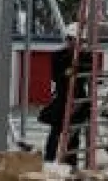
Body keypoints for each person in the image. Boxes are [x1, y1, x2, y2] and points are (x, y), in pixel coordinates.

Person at [39, 23, 93, 166]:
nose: (77, 44)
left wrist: (77, 69)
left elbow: (89, 75)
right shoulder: (58, 55)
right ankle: (49, 162)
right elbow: (56, 77)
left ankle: (71, 166)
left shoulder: (86, 56)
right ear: (68, 39)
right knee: (55, 133)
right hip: (62, 98)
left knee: (74, 136)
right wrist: (71, 71)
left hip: (80, 98)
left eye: (81, 41)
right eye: (74, 40)